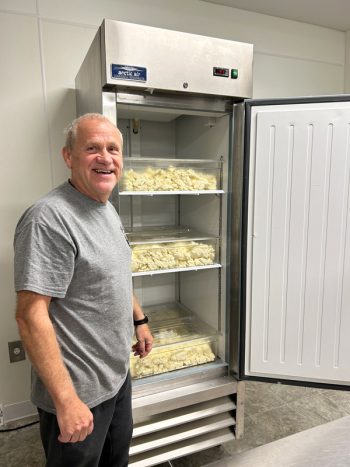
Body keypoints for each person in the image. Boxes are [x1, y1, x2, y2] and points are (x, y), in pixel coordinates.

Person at [14, 113, 153, 467]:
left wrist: (139, 319)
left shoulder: (105, 207)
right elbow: (31, 315)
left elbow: (115, 272)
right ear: (68, 157)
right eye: (92, 148)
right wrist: (66, 401)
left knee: (115, 460)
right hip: (79, 392)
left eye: (113, 149)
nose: (105, 158)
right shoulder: (49, 218)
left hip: (115, 376)